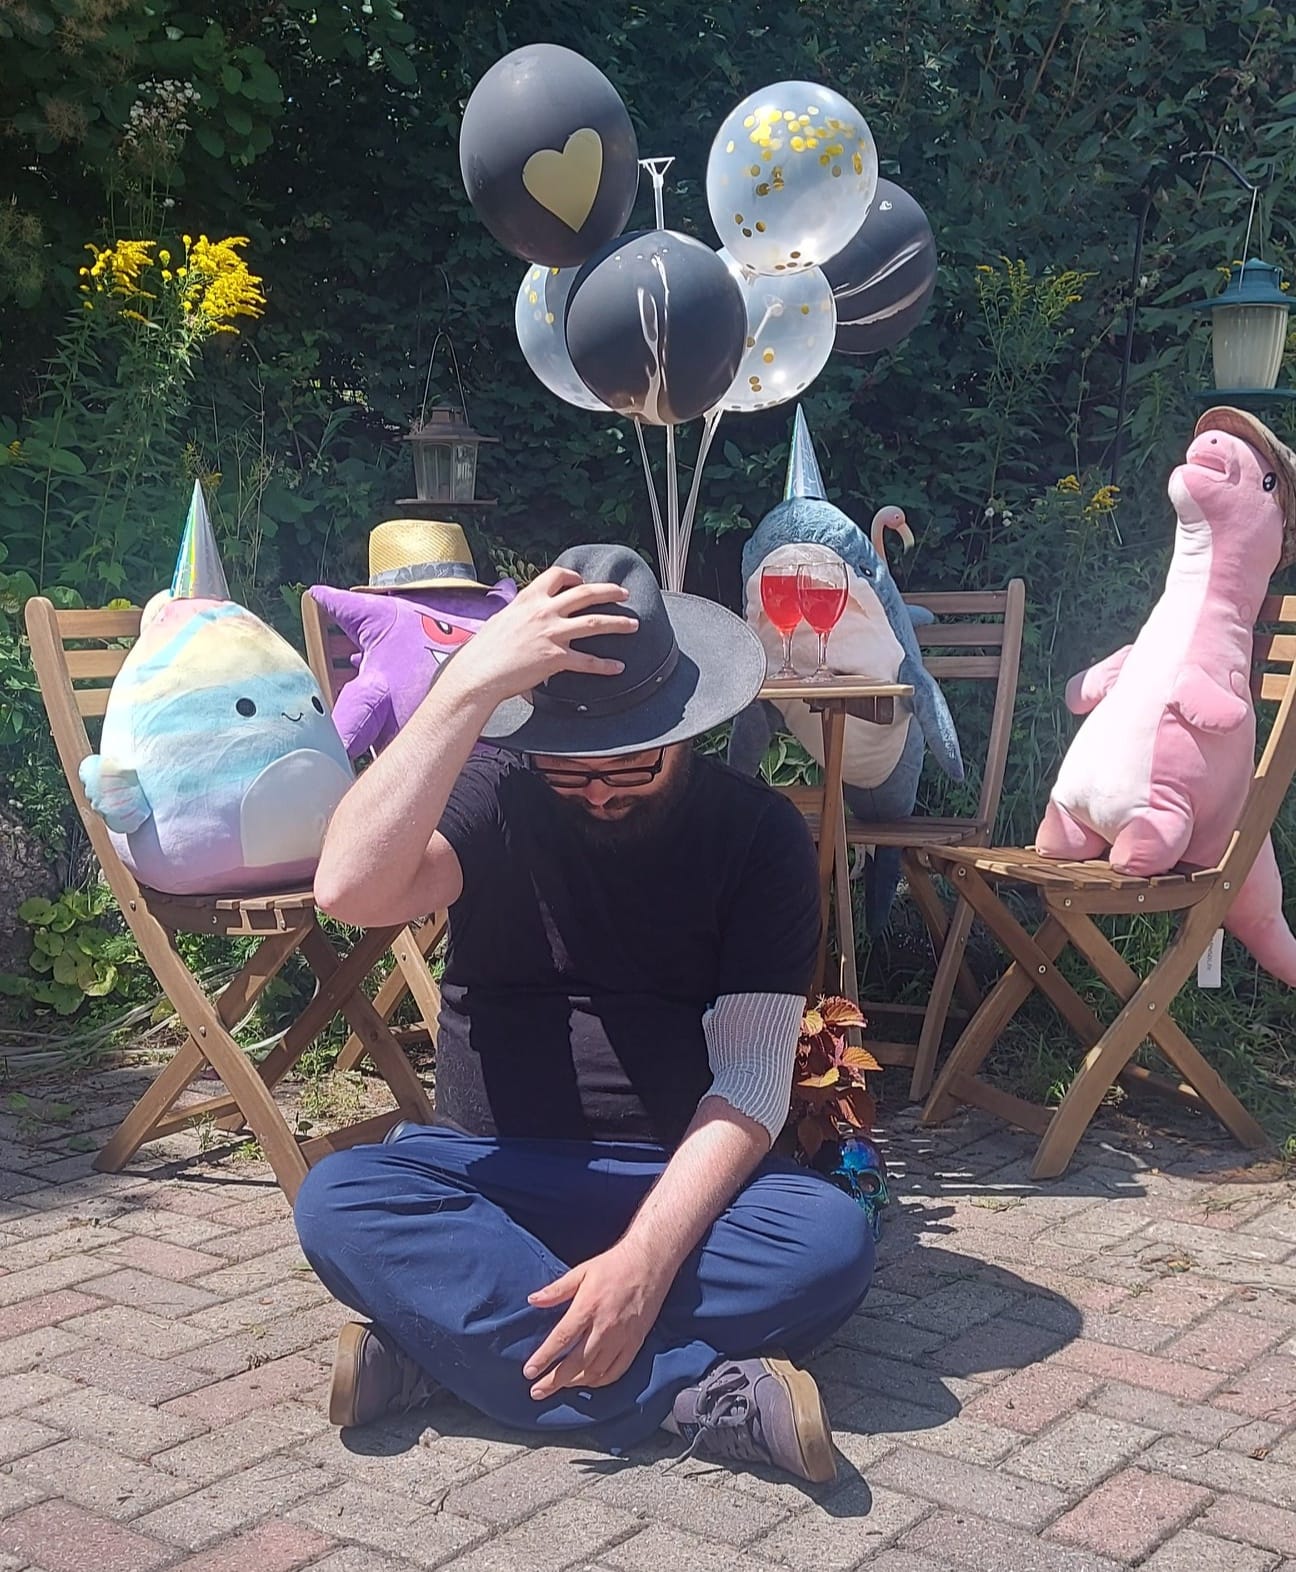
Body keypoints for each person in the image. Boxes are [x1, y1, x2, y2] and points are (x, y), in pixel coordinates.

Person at [295, 543, 876, 1483]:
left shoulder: (758, 836)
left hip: (682, 1186)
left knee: (825, 1245)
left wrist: (644, 1262)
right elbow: (350, 889)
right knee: (341, 1200)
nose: (599, 788)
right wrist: (464, 689)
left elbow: (753, 1082)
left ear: (683, 727)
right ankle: (691, 1397)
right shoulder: (498, 793)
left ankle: (444, 1350)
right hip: (496, 1176)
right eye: (571, 769)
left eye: (632, 766)